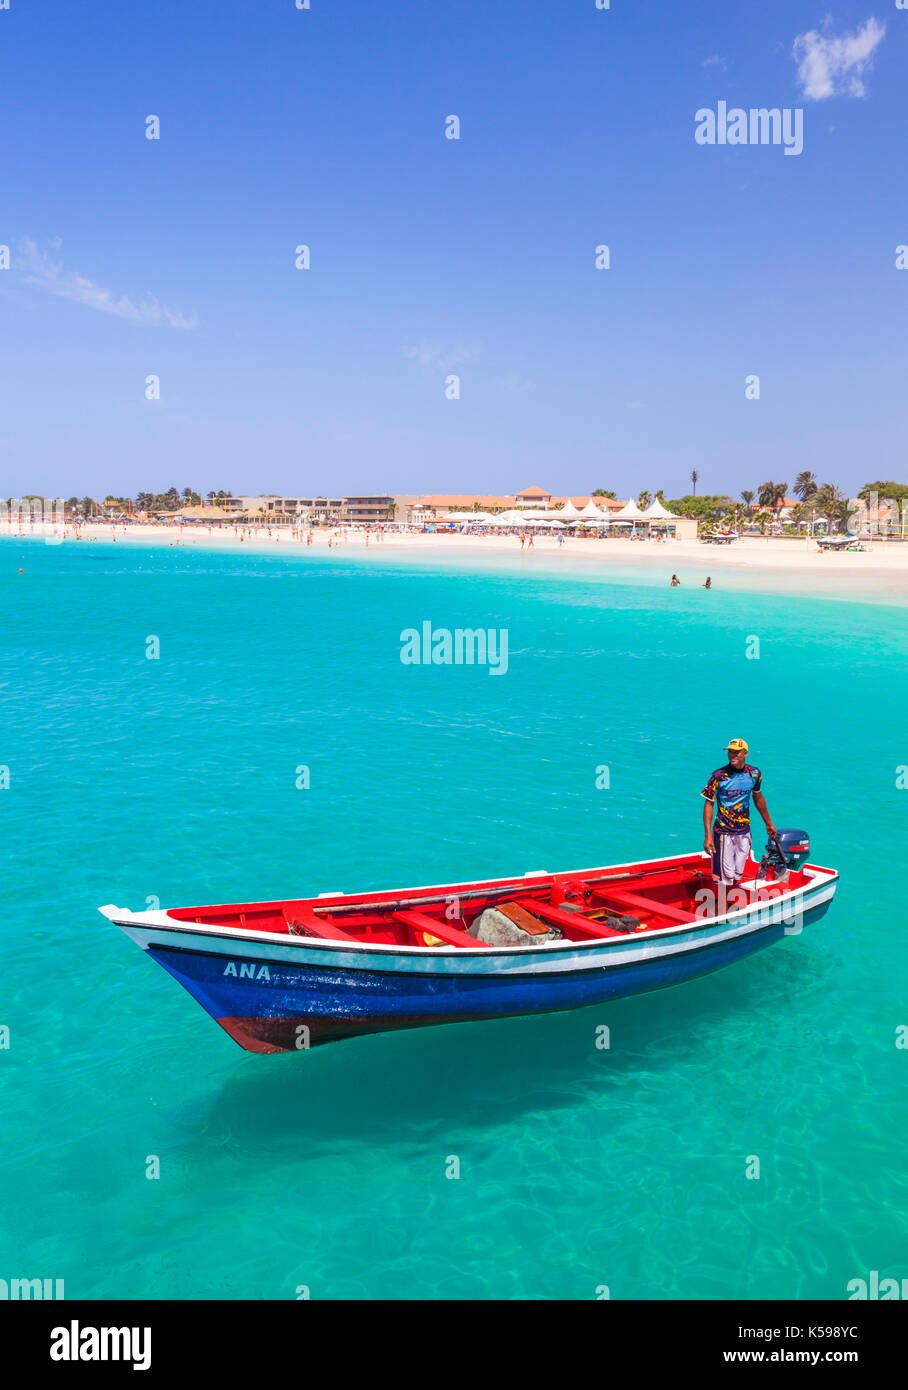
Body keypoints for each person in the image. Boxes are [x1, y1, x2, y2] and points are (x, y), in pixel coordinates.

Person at [702, 739, 776, 887]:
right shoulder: (719, 775)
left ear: (745, 754)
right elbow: (709, 804)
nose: (732, 755)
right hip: (724, 833)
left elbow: (758, 798)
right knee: (724, 878)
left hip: (744, 832)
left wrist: (769, 824)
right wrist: (708, 835)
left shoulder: (754, 774)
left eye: (736, 752)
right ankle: (724, 906)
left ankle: (732, 902)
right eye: (730, 752)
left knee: (737, 874)